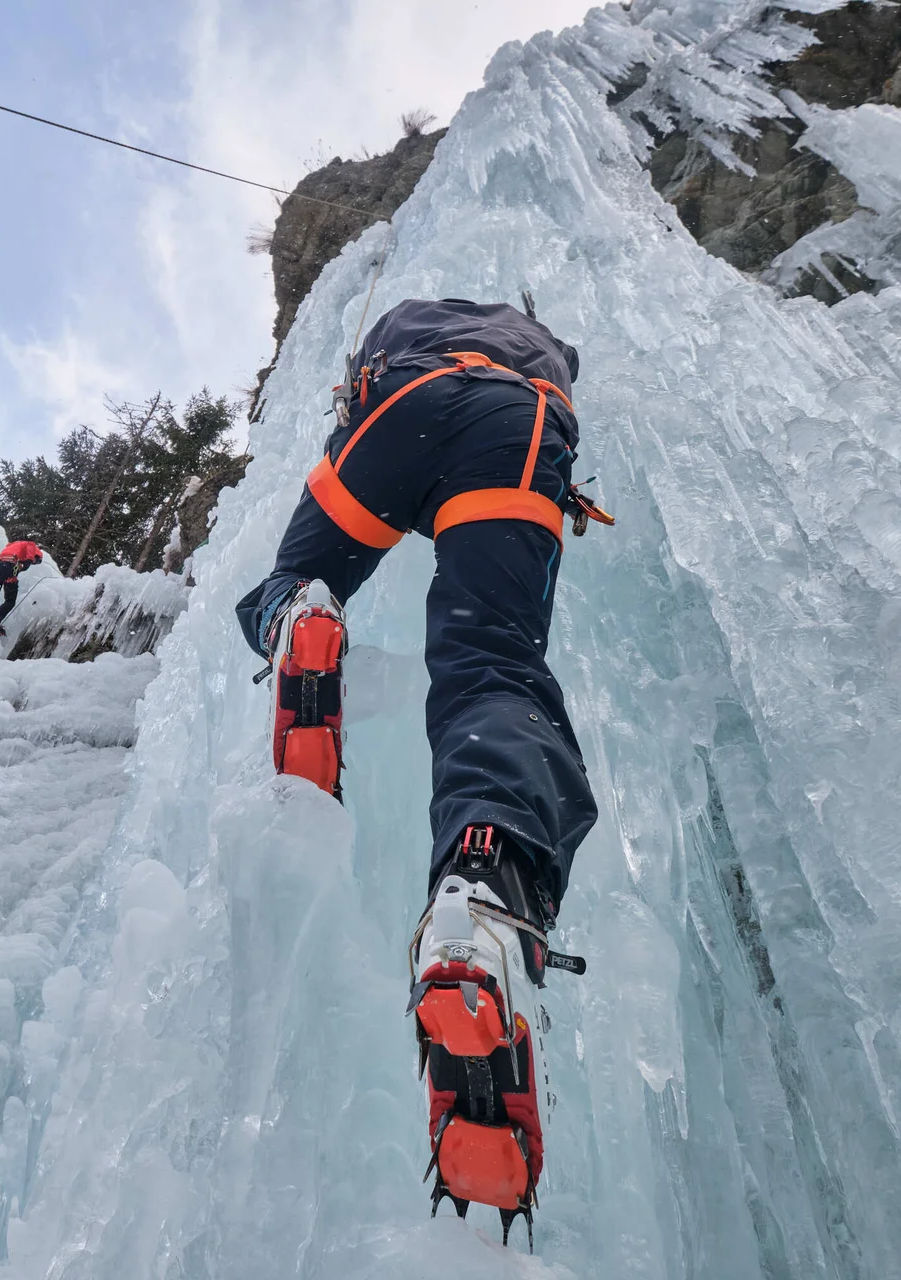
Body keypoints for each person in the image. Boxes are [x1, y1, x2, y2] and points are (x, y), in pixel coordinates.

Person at [234, 297, 607, 1245]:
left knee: (291, 579)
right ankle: (484, 893)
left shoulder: (408, 316)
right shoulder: (539, 344)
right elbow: (565, 361)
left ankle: (299, 624)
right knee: (493, 664)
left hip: (395, 411)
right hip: (516, 423)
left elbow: (361, 373)